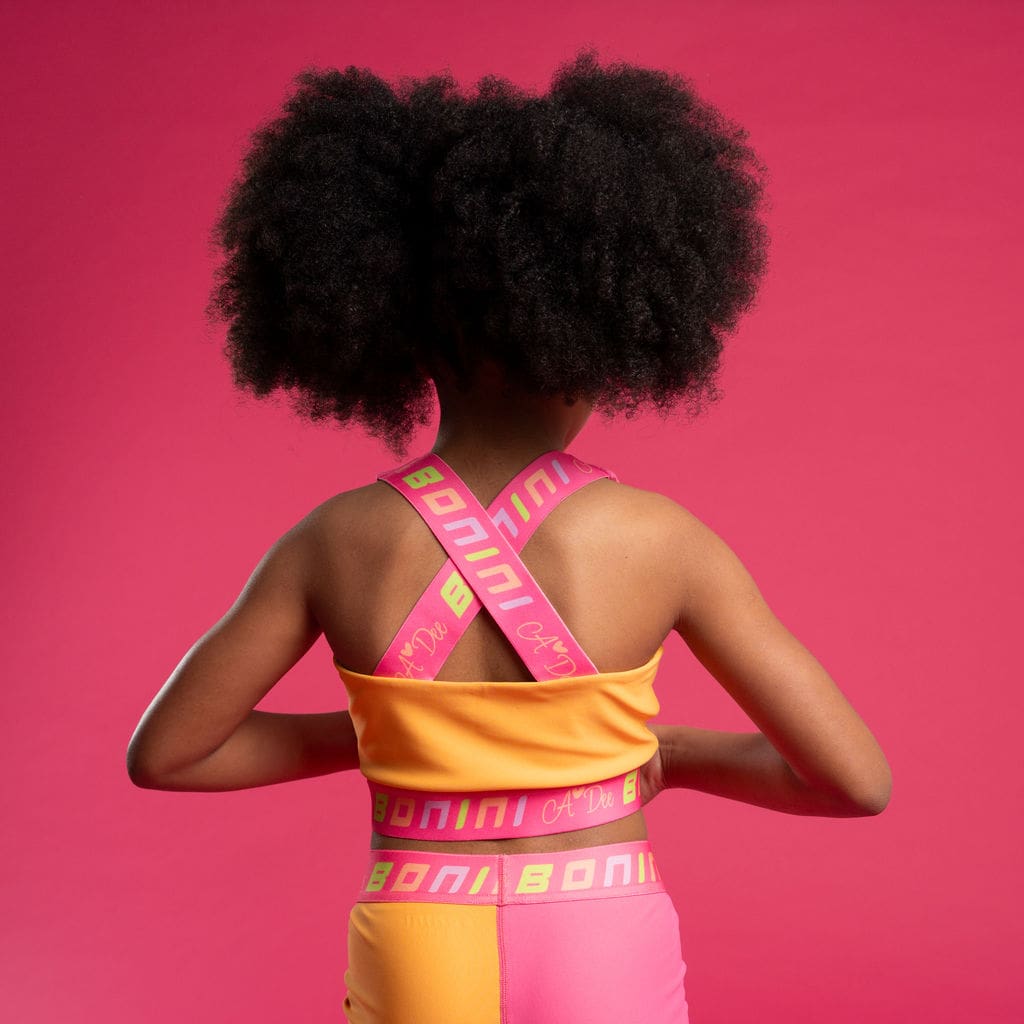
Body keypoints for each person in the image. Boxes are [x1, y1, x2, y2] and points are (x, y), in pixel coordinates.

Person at [126, 48, 891, 1023]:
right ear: (603, 331)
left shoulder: (333, 541)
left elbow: (169, 755)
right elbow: (854, 782)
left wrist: (402, 735)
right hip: (598, 923)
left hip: (419, 925)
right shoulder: (661, 541)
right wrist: (668, 753)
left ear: (403, 329)